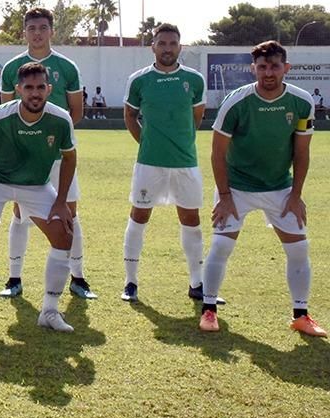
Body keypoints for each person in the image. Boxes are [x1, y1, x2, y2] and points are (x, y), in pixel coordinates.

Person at [199, 40, 325, 336]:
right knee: (221, 245)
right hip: (237, 186)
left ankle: (301, 315)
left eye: (275, 66)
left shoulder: (302, 101)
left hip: (280, 187)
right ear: (253, 69)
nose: (269, 72)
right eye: (263, 67)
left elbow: (302, 152)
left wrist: (296, 195)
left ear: (286, 68)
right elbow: (217, 153)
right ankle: (209, 310)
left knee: (299, 249)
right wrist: (226, 197)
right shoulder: (236, 101)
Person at [0, 62, 78, 333]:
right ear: (18, 90)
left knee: (64, 233)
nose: (34, 93)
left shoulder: (60, 119)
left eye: (40, 87)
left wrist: (61, 202)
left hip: (35, 185)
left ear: (48, 89)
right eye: (28, 88)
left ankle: (49, 311)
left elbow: (70, 158)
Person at [0, 8, 93, 300]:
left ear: (51, 31)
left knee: (70, 214)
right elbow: (5, 113)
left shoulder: (67, 67)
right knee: (20, 213)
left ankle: (79, 278)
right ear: (24, 32)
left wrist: (53, 139)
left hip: (59, 154)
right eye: (31, 28)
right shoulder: (12, 68)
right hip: (23, 156)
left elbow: (75, 111)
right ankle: (14, 278)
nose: (37, 33)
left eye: (42, 27)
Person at [121, 24, 215, 304]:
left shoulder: (194, 80)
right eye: (162, 43)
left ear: (180, 47)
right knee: (139, 216)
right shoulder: (139, 80)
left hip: (186, 163)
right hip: (149, 163)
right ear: (153, 46)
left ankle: (196, 284)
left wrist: (180, 141)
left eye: (172, 43)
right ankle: (130, 282)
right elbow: (130, 115)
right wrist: (148, 142)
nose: (167, 48)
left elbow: (196, 117)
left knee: (191, 221)